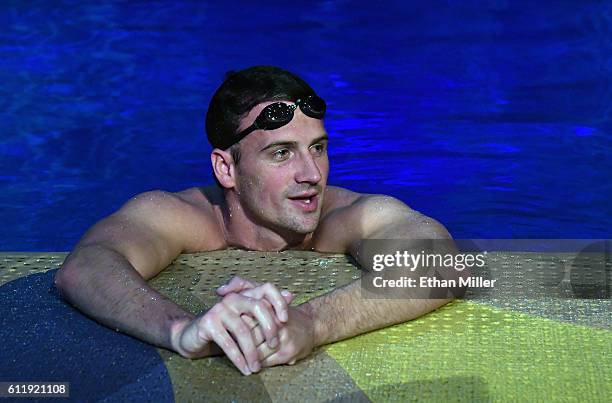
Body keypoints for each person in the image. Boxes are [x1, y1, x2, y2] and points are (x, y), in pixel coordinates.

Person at [54, 65, 464, 376]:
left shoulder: (348, 216)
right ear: (226, 169)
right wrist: (181, 330)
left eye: (317, 148)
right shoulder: (184, 216)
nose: (312, 174)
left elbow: (441, 266)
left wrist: (310, 323)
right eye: (281, 153)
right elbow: (85, 266)